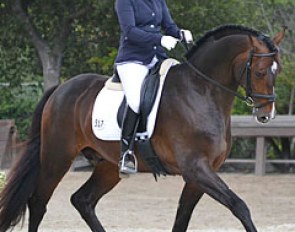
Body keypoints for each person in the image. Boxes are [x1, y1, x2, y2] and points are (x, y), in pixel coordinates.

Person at [115, 0, 193, 176]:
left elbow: (169, 26)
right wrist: (159, 38)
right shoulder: (125, 1)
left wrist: (180, 33)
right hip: (132, 59)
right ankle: (126, 153)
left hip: (157, 58)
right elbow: (130, 31)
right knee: (135, 101)